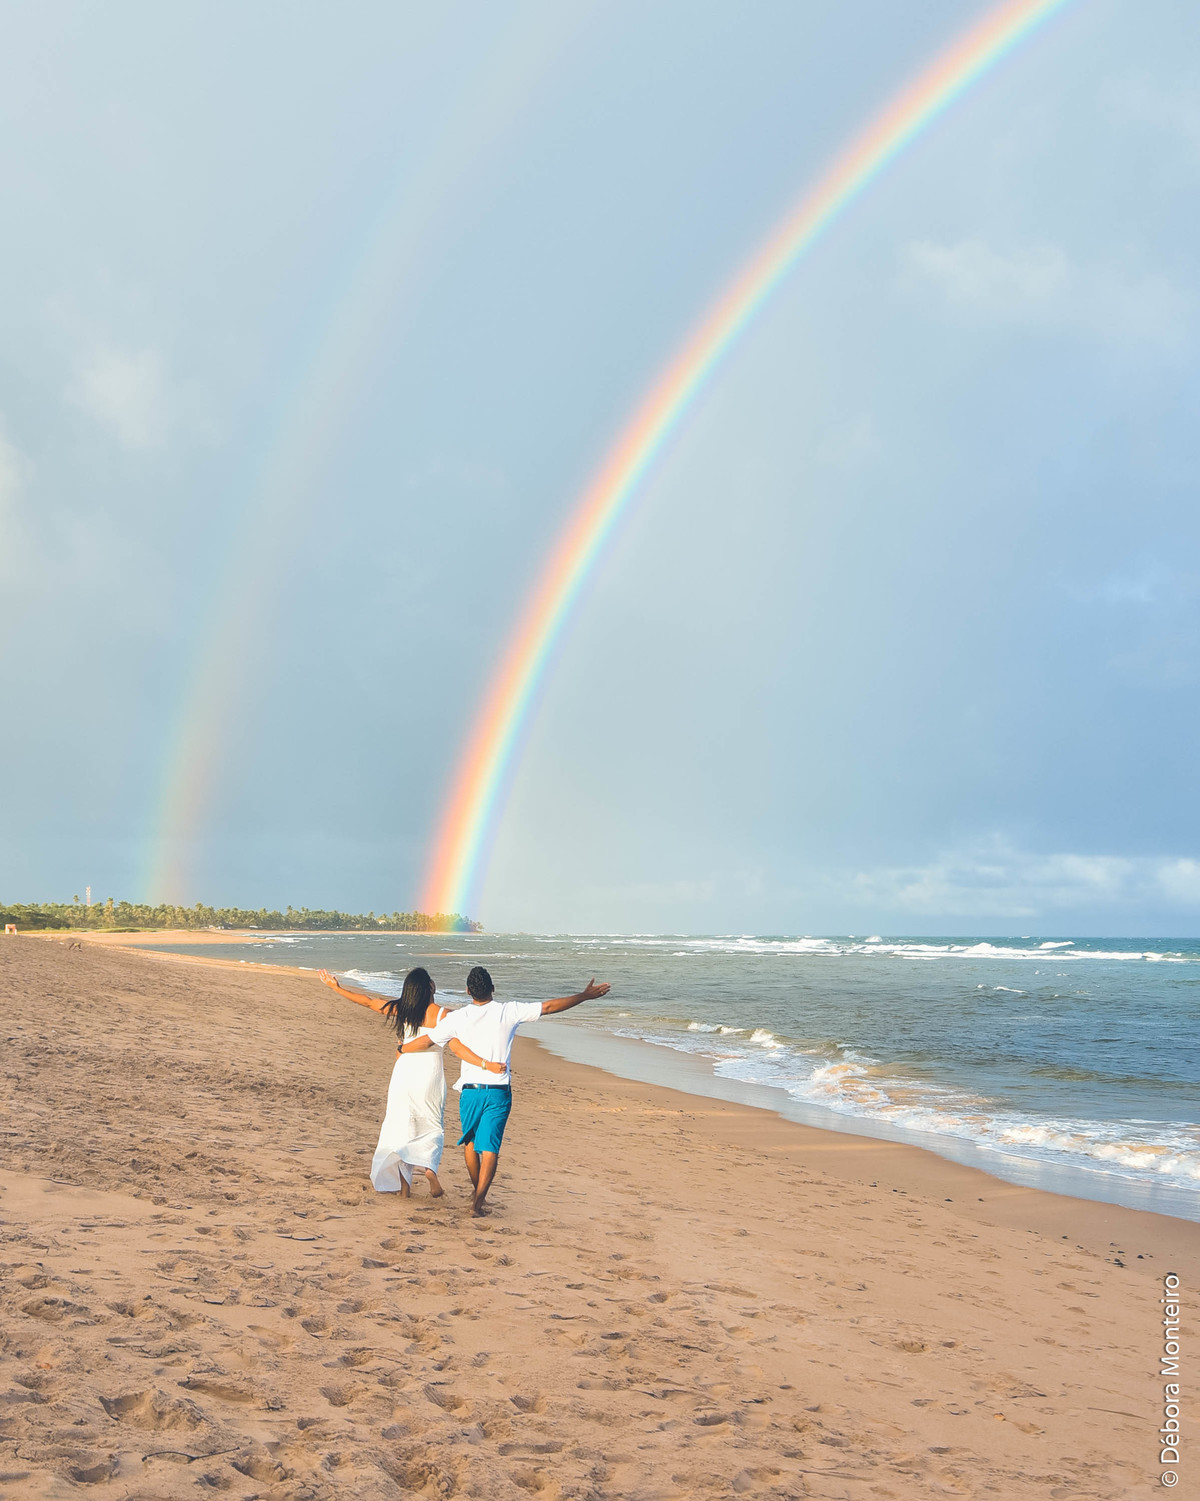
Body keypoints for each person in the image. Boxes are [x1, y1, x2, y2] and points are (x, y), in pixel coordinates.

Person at [400, 965, 610, 1216]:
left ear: (467, 991)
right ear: (493, 988)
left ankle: (476, 1191)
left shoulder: (457, 1018)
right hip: (498, 1090)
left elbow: (428, 1040)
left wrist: (403, 1048)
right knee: (490, 1147)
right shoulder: (507, 1011)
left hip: (470, 1091)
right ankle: (478, 1201)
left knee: (470, 1142)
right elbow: (550, 1007)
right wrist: (583, 996)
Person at [317, 967, 504, 1198]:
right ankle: (429, 1168)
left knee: (403, 1126)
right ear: (431, 987)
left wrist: (337, 988)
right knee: (433, 1124)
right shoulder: (442, 1014)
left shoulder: (402, 1009)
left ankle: (405, 1189)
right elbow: (468, 1026)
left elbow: (368, 1002)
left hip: (403, 1072)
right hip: (430, 1073)